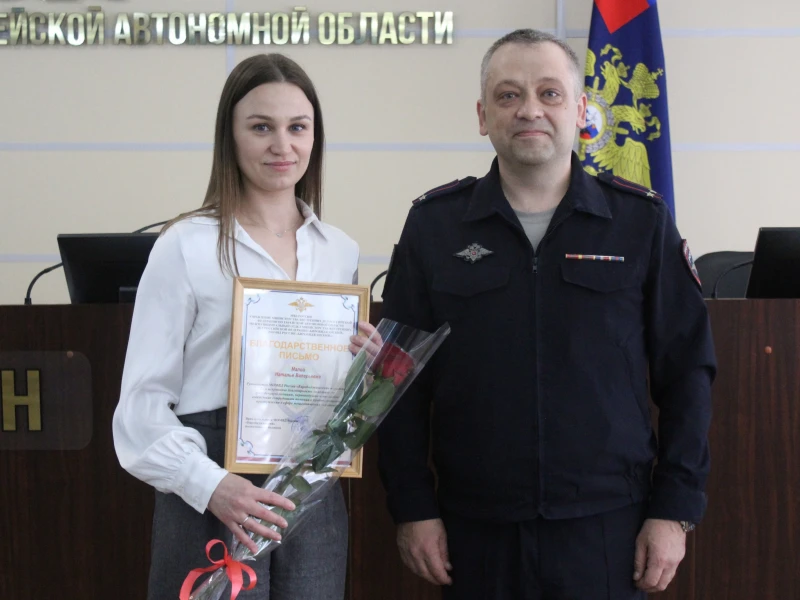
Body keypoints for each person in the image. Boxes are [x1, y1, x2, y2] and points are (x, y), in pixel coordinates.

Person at [370, 29, 716, 600]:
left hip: (607, 527)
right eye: (508, 95)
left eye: (549, 93)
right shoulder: (435, 226)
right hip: (473, 529)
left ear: (580, 111)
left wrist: (675, 509)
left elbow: (688, 374)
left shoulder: (640, 222)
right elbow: (395, 376)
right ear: (482, 116)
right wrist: (412, 505)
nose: (529, 109)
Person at [113, 54, 357, 600]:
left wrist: (363, 370)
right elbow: (139, 407)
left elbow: (332, 393)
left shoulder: (339, 251)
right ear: (230, 135)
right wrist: (211, 485)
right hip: (209, 484)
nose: (282, 145)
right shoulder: (185, 245)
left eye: (298, 127)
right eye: (261, 127)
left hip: (311, 488)